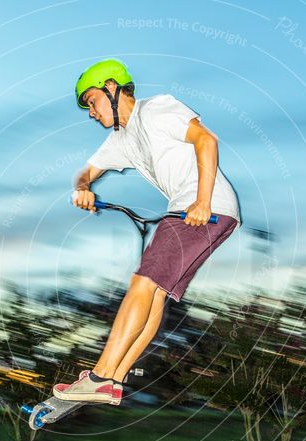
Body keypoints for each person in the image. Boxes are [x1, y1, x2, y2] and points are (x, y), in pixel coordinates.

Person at [54, 58, 241, 405]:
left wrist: (201, 202)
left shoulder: (157, 109)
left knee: (142, 284)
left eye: (92, 101)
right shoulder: (120, 140)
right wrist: (82, 188)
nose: (91, 113)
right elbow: (86, 172)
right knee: (152, 292)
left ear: (112, 88)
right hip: (193, 211)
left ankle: (99, 375)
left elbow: (207, 140)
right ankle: (113, 379)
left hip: (201, 209)